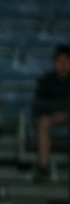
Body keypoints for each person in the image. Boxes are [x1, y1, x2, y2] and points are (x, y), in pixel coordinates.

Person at [31, 45, 70, 183]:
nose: (63, 65)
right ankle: (44, 168)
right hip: (53, 118)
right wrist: (60, 111)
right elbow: (39, 106)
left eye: (67, 61)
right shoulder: (46, 81)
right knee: (43, 122)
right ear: (54, 63)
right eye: (60, 61)